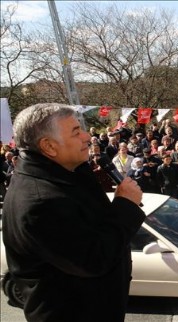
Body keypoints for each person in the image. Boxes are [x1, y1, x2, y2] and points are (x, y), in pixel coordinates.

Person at [2, 103, 145, 322]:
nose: (88, 137)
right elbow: (93, 260)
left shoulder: (67, 172)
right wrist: (125, 205)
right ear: (49, 146)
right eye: (76, 132)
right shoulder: (40, 202)